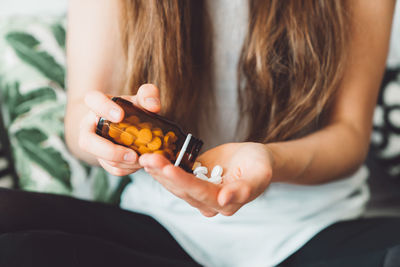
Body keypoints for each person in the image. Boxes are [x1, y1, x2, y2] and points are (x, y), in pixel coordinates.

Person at [0, 0, 399, 266]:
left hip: (319, 232)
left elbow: (349, 136)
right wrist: (103, 133)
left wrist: (271, 160)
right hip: (162, 226)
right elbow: (79, 118)